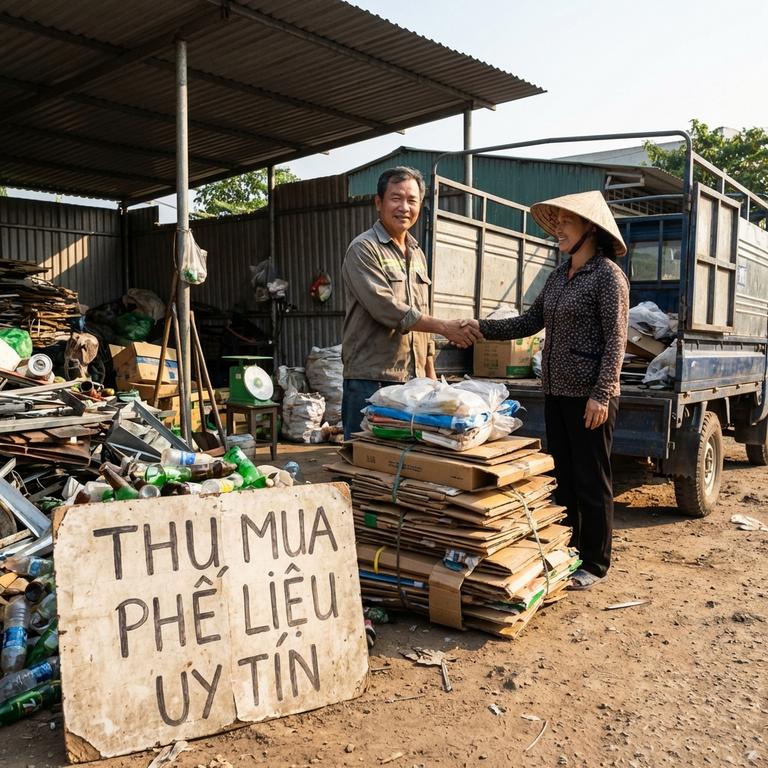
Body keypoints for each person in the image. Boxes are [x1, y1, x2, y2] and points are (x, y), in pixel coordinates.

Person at [478, 191, 630, 590]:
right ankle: (569, 549)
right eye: (558, 221)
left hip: (590, 397)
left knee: (591, 478)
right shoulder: (558, 276)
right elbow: (529, 321)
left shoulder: (608, 276)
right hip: (557, 392)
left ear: (590, 229)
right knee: (563, 475)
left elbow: (617, 340)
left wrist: (602, 392)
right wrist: (479, 328)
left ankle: (595, 563)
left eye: (567, 221)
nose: (559, 228)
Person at [341, 166, 481, 438]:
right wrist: (445, 327)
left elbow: (422, 309)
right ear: (379, 203)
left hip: (413, 380)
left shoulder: (417, 253)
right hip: (371, 378)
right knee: (366, 460)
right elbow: (386, 308)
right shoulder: (363, 248)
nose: (404, 207)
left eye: (412, 200)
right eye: (396, 198)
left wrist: (430, 373)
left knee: (407, 460)